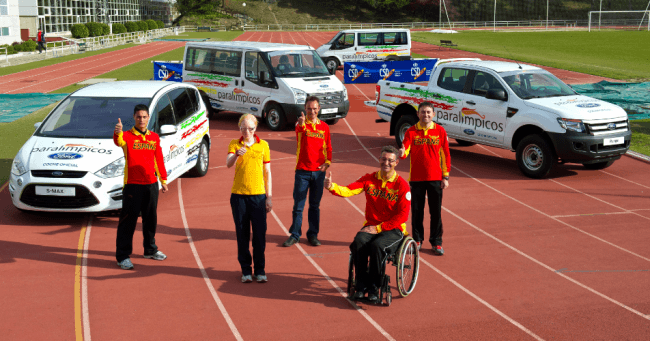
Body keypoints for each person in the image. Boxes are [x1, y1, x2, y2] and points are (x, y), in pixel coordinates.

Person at [324, 145, 410, 301]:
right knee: (358, 242)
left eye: (390, 160)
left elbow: (403, 216)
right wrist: (332, 187)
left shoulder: (402, 186)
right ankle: (360, 285)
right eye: (383, 159)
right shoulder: (369, 179)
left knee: (378, 246)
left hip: (393, 229)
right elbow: (350, 190)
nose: (386, 163)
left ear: (397, 162)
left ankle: (374, 287)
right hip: (371, 225)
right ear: (379, 160)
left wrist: (380, 228)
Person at [113, 104, 168, 270]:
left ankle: (150, 249)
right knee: (128, 222)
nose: (142, 120)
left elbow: (158, 159)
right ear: (134, 117)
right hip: (132, 186)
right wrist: (117, 132)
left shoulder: (154, 137)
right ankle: (122, 256)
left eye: (144, 117)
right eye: (138, 117)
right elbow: (118, 141)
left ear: (148, 117)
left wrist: (163, 180)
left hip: (151, 185)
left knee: (150, 219)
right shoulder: (127, 136)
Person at [399, 101, 451, 255]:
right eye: (423, 112)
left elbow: (445, 155)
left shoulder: (440, 131)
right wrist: (401, 152)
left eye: (428, 112)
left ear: (433, 114)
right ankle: (417, 240)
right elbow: (405, 151)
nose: (426, 115)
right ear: (418, 114)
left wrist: (445, 177)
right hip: (416, 178)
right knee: (417, 211)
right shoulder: (411, 132)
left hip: (435, 178)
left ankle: (437, 242)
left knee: (435, 212)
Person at [227, 114, 273, 283]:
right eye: (243, 128)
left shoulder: (264, 146)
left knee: (260, 235)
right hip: (239, 197)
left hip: (259, 197)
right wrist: (236, 154)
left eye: (250, 128)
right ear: (239, 128)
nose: (247, 131)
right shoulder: (234, 144)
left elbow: (267, 172)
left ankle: (260, 270)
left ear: (255, 129)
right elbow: (227, 163)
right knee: (242, 234)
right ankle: (246, 270)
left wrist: (269, 197)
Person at [283, 96, 332, 247]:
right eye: (309, 108)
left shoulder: (324, 127)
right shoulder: (301, 125)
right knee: (298, 206)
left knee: (314, 206)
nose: (312, 111)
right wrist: (303, 124)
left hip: (318, 172)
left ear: (319, 109)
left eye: (315, 108)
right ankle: (295, 234)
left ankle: (313, 234)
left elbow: (328, 147)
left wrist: (327, 163)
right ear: (305, 109)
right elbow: (300, 132)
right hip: (302, 172)